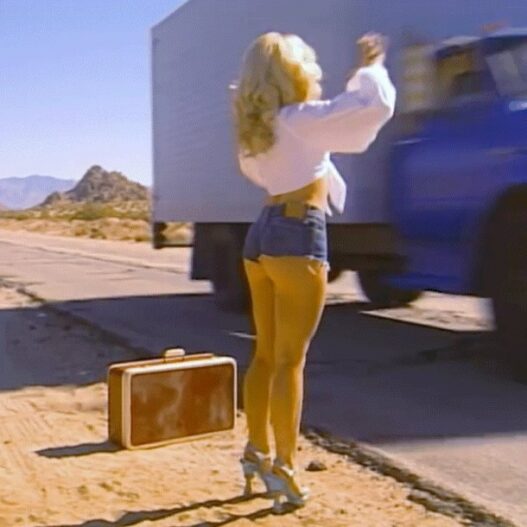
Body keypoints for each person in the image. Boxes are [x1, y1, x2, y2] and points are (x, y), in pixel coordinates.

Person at [231, 31, 395, 510]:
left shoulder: (260, 131)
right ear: (294, 73)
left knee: (265, 355)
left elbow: (268, 172)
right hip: (297, 232)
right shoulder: (300, 119)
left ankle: (255, 452)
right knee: (290, 361)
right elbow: (373, 107)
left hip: (261, 232)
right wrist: (371, 65)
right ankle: (284, 468)